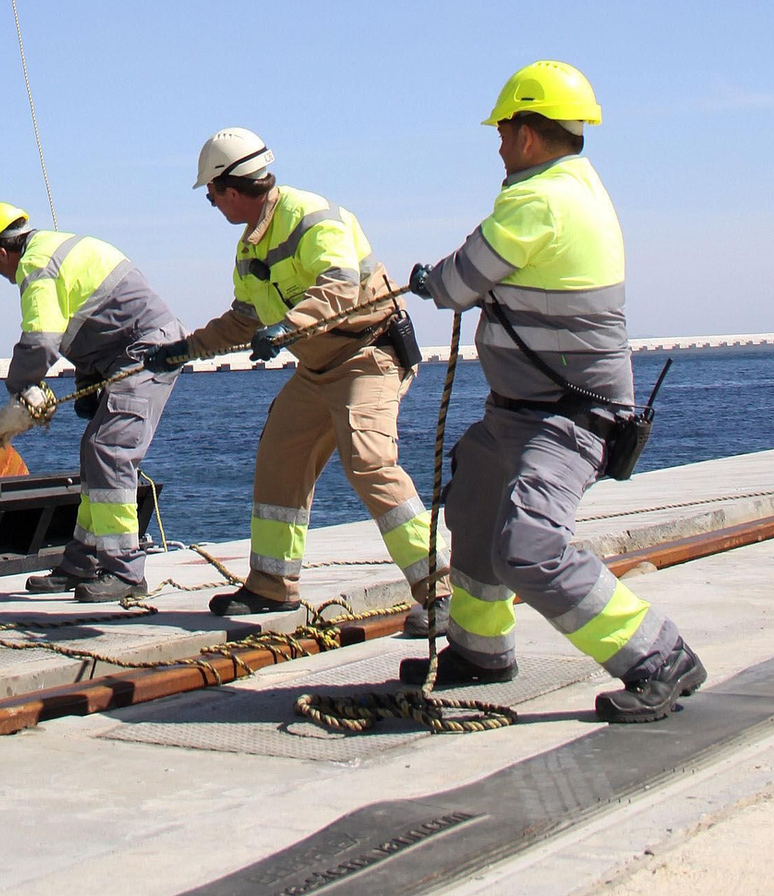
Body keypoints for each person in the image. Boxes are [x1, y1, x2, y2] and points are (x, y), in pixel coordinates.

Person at [404, 60, 707, 723]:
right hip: (516, 415)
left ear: (530, 135)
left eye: (505, 131)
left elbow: (457, 284)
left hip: (565, 421)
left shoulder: (537, 199)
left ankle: (659, 657)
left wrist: (431, 281)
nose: (500, 145)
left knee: (531, 549)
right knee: (476, 504)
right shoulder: (579, 187)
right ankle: (481, 649)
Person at [144, 131, 447, 625]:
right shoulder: (248, 249)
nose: (210, 202)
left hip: (368, 354)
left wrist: (288, 326)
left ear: (231, 188)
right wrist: (184, 350)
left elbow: (340, 286)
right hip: (317, 368)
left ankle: (441, 592)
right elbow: (242, 320)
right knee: (280, 454)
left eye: (210, 193)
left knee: (369, 461)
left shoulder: (310, 216)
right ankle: (271, 587)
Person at [0, 203, 183, 604]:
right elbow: (99, 315)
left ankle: (124, 571)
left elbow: (42, 338)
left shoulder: (36, 267)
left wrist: (21, 384)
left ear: (0, 252)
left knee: (109, 451)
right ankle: (84, 560)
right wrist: (90, 377)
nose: (1, 275)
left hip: (147, 352)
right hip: (135, 349)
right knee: (95, 451)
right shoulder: (56, 248)